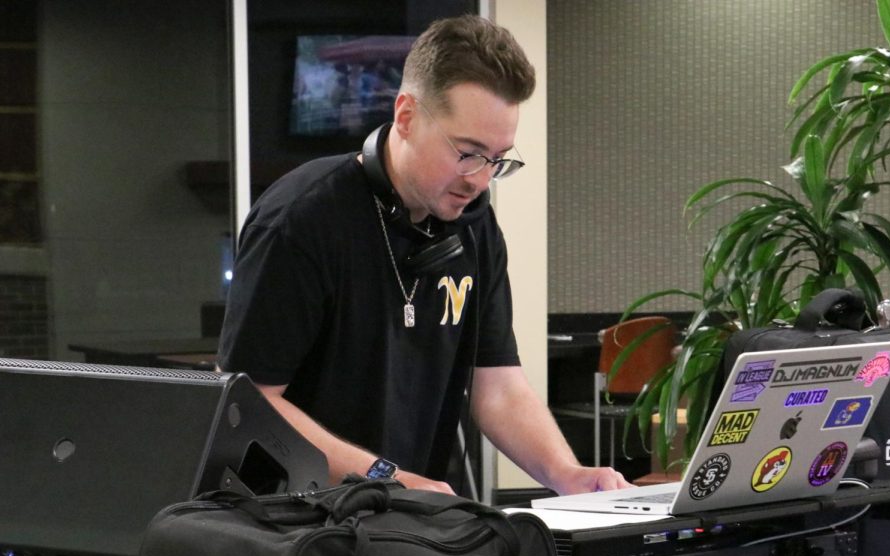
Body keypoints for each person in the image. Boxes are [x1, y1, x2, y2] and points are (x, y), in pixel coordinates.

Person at [217, 15, 629, 496]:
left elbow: (497, 385)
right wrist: (390, 480)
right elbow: (252, 402)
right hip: (293, 526)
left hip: (405, 518)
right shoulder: (302, 220)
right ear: (407, 116)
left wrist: (566, 473)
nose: (479, 179)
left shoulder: (476, 226)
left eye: (498, 159)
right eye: (468, 152)